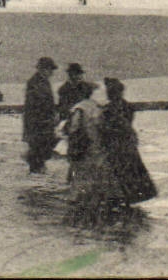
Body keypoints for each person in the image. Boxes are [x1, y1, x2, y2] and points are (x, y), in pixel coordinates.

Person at [100, 77, 157, 214]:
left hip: (116, 145)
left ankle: (121, 201)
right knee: (131, 172)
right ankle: (129, 200)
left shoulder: (109, 109)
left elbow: (108, 128)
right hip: (127, 144)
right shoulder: (127, 107)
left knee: (119, 173)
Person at [65, 81, 113, 227]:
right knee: (96, 173)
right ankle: (95, 201)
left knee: (80, 173)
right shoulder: (95, 107)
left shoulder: (79, 108)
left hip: (83, 147)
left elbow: (73, 129)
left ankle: (78, 202)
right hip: (96, 145)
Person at [23, 56, 61, 173]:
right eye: (49, 70)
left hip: (43, 122)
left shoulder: (44, 81)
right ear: (42, 69)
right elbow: (36, 104)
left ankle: (39, 169)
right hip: (37, 123)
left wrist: (53, 114)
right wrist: (48, 117)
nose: (51, 73)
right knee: (38, 148)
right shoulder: (34, 82)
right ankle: (36, 171)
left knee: (43, 147)